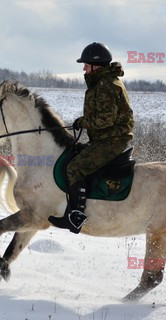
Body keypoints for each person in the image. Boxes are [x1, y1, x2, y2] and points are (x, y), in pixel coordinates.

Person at [48, 42, 134, 234]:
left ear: (97, 66)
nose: (84, 69)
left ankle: (76, 216)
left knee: (75, 167)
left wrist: (83, 122)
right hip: (105, 138)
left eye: (86, 65)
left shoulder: (107, 85)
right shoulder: (101, 83)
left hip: (112, 140)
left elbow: (106, 119)